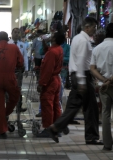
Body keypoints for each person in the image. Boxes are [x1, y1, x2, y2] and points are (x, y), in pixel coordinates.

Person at [48, 17, 103, 145]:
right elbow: (81, 61)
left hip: (76, 75)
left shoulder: (77, 38)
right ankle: (91, 137)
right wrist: (82, 82)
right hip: (81, 75)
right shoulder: (84, 41)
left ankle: (55, 127)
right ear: (87, 27)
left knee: (73, 106)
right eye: (94, 27)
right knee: (91, 108)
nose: (95, 30)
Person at [36, 31, 65, 137]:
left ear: (54, 39)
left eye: (52, 36)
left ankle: (48, 129)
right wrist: (44, 43)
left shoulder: (52, 52)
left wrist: (41, 83)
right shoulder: (58, 49)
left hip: (50, 81)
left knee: (47, 104)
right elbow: (48, 50)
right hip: (56, 80)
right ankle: (57, 128)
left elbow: (47, 70)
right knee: (55, 104)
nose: (50, 36)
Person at [90, 23, 113, 151]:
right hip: (109, 83)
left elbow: (92, 68)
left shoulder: (97, 48)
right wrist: (110, 80)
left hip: (103, 86)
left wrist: (104, 80)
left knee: (105, 114)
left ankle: (107, 144)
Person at [8, 28, 28, 112]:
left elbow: (25, 57)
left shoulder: (22, 45)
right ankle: (9, 106)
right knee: (9, 88)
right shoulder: (8, 44)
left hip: (19, 70)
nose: (16, 34)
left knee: (18, 88)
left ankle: (19, 106)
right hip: (9, 70)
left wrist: (26, 68)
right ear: (12, 33)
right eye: (15, 32)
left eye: (18, 32)